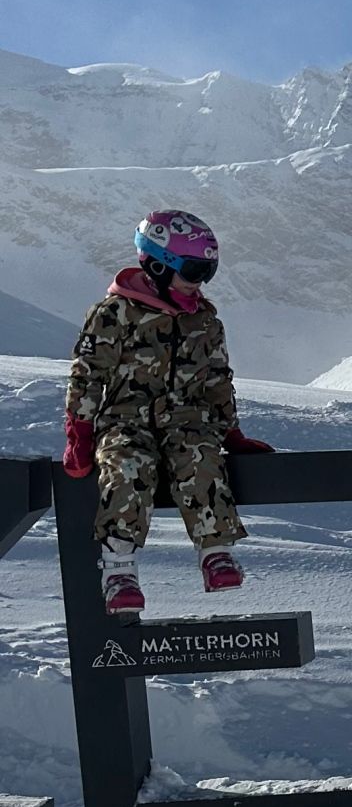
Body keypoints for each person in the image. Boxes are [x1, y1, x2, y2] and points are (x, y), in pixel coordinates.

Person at [62, 210, 274, 617]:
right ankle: (119, 569)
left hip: (187, 420)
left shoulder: (204, 320)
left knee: (200, 460)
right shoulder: (115, 314)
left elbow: (217, 378)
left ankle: (215, 551)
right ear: (158, 265)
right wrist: (80, 434)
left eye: (207, 272)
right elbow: (87, 375)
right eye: (193, 270)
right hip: (127, 420)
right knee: (127, 467)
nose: (199, 283)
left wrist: (230, 431)